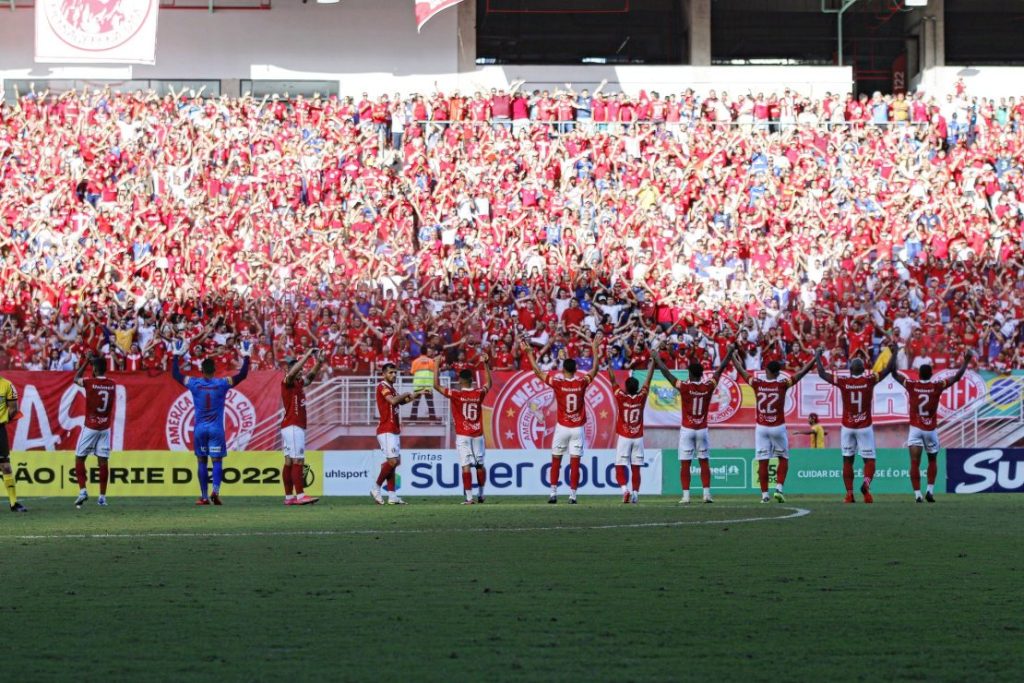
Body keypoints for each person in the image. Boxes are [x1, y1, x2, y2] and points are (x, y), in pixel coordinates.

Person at [519, 333, 603, 504]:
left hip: (562, 427)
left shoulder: (558, 383)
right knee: (575, 462)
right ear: (576, 370)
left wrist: (529, 353)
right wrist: (595, 350)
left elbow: (537, 371)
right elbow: (594, 370)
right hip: (577, 429)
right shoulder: (581, 383)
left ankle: (553, 493)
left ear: (564, 370)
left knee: (556, 459)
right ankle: (572, 495)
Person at [170, 337, 251, 505]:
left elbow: (175, 374)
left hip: (199, 429)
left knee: (201, 460)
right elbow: (242, 374)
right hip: (216, 429)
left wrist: (176, 355)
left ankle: (204, 496)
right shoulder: (222, 383)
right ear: (214, 370)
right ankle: (216, 491)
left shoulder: (194, 382)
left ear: (201, 370)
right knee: (217, 461)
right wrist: (246, 355)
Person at [890, 347, 972, 502]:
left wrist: (893, 354)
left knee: (914, 462)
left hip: (915, 429)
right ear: (932, 374)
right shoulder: (937, 386)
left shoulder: (911, 385)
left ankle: (917, 495)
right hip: (930, 430)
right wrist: (966, 361)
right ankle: (930, 491)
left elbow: (894, 374)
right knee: (932, 460)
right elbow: (956, 377)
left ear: (919, 374)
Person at [730, 353, 815, 503]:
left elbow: (741, 370)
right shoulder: (782, 384)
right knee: (783, 458)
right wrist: (814, 358)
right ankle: (779, 489)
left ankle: (764, 496)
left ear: (767, 371)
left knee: (763, 461)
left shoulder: (757, 383)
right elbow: (801, 373)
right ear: (777, 373)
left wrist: (732, 355)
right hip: (777, 427)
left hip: (762, 428)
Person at [815, 346, 894, 503]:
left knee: (847, 460)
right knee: (869, 460)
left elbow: (822, 373)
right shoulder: (869, 380)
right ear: (864, 369)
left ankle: (849, 494)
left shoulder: (844, 381)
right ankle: (866, 485)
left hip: (847, 426)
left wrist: (818, 356)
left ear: (850, 370)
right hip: (864, 427)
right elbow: (887, 370)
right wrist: (895, 352)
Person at [654, 346, 732, 504]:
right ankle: (706, 494)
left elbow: (667, 374)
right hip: (702, 429)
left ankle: (686, 496)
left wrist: (656, 359)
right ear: (702, 374)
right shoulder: (708, 386)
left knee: (685, 463)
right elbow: (720, 369)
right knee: (704, 461)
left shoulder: (684, 386)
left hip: (687, 429)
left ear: (689, 374)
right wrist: (729, 353)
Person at [434, 353, 493, 504]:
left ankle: (469, 498)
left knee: (465, 465)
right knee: (480, 464)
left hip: (463, 434)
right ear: (472, 381)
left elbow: (436, 386)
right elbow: (489, 384)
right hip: (478, 434)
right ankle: (481, 494)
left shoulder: (456, 394)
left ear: (460, 381)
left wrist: (436, 365)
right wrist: (486, 364)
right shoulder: (478, 393)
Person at [371, 363, 430, 505]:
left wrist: (418, 393)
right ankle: (376, 488)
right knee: (392, 461)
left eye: (395, 372)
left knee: (393, 462)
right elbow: (393, 400)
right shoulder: (382, 386)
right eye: (391, 372)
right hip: (386, 429)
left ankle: (392, 496)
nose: (394, 375)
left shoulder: (391, 388)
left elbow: (403, 401)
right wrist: (405, 393)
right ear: (384, 374)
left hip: (394, 429)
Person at [280, 348, 327, 506]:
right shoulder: (287, 381)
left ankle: (289, 497)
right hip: (293, 426)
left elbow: (311, 377)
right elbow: (293, 373)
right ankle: (300, 496)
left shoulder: (298, 383)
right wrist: (307, 355)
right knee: (298, 460)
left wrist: (319, 362)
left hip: (291, 426)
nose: (301, 373)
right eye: (299, 370)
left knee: (288, 462)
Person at [607, 358, 655, 504]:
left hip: (624, 437)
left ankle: (624, 490)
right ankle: (635, 494)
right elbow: (649, 379)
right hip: (638, 437)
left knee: (620, 466)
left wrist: (608, 362)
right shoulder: (641, 396)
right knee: (636, 468)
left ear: (626, 388)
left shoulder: (621, 396)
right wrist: (653, 363)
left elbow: (613, 380)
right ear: (637, 387)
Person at [72, 354, 117, 508]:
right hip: (105, 428)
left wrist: (85, 362)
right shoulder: (112, 384)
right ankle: (102, 497)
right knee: (103, 461)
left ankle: (83, 490)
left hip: (90, 426)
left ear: (95, 369)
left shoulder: (89, 382)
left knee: (79, 458)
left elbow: (75, 378)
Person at [0, 374, 25, 512]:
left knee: (5, 466)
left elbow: (13, 407)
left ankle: (13, 503)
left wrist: (4, 418)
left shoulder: (7, 385)